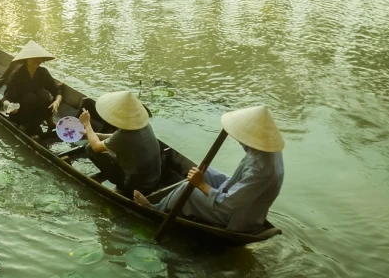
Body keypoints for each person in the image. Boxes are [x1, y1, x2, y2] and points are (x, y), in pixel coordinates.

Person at [134, 105, 285, 232]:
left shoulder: (261, 168)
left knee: (189, 189)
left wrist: (201, 184)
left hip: (235, 217)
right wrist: (202, 179)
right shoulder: (266, 150)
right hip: (241, 200)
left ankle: (155, 209)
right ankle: (175, 200)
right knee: (205, 170)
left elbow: (227, 205)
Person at [79, 91, 161, 198]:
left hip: (137, 187)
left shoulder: (125, 135)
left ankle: (122, 188)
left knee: (90, 149)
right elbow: (116, 138)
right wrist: (93, 134)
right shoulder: (143, 125)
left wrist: (87, 124)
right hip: (154, 179)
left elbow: (96, 147)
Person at [3, 41, 63, 134]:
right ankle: (24, 124)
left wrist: (56, 103)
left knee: (44, 96)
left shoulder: (43, 72)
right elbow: (6, 98)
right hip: (19, 110)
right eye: (34, 58)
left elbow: (57, 92)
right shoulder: (17, 75)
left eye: (39, 58)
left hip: (38, 108)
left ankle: (49, 121)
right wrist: (10, 107)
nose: (37, 60)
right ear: (27, 59)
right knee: (30, 98)